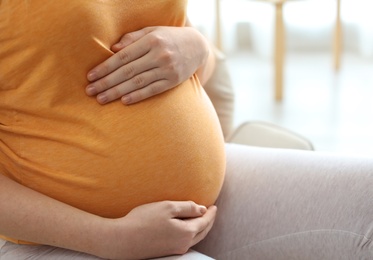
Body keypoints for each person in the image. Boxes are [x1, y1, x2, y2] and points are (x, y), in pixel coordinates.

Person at [1, 1, 373, 260]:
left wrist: (196, 48)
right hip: (62, 235)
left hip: (210, 200)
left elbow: (187, 63)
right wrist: (107, 238)